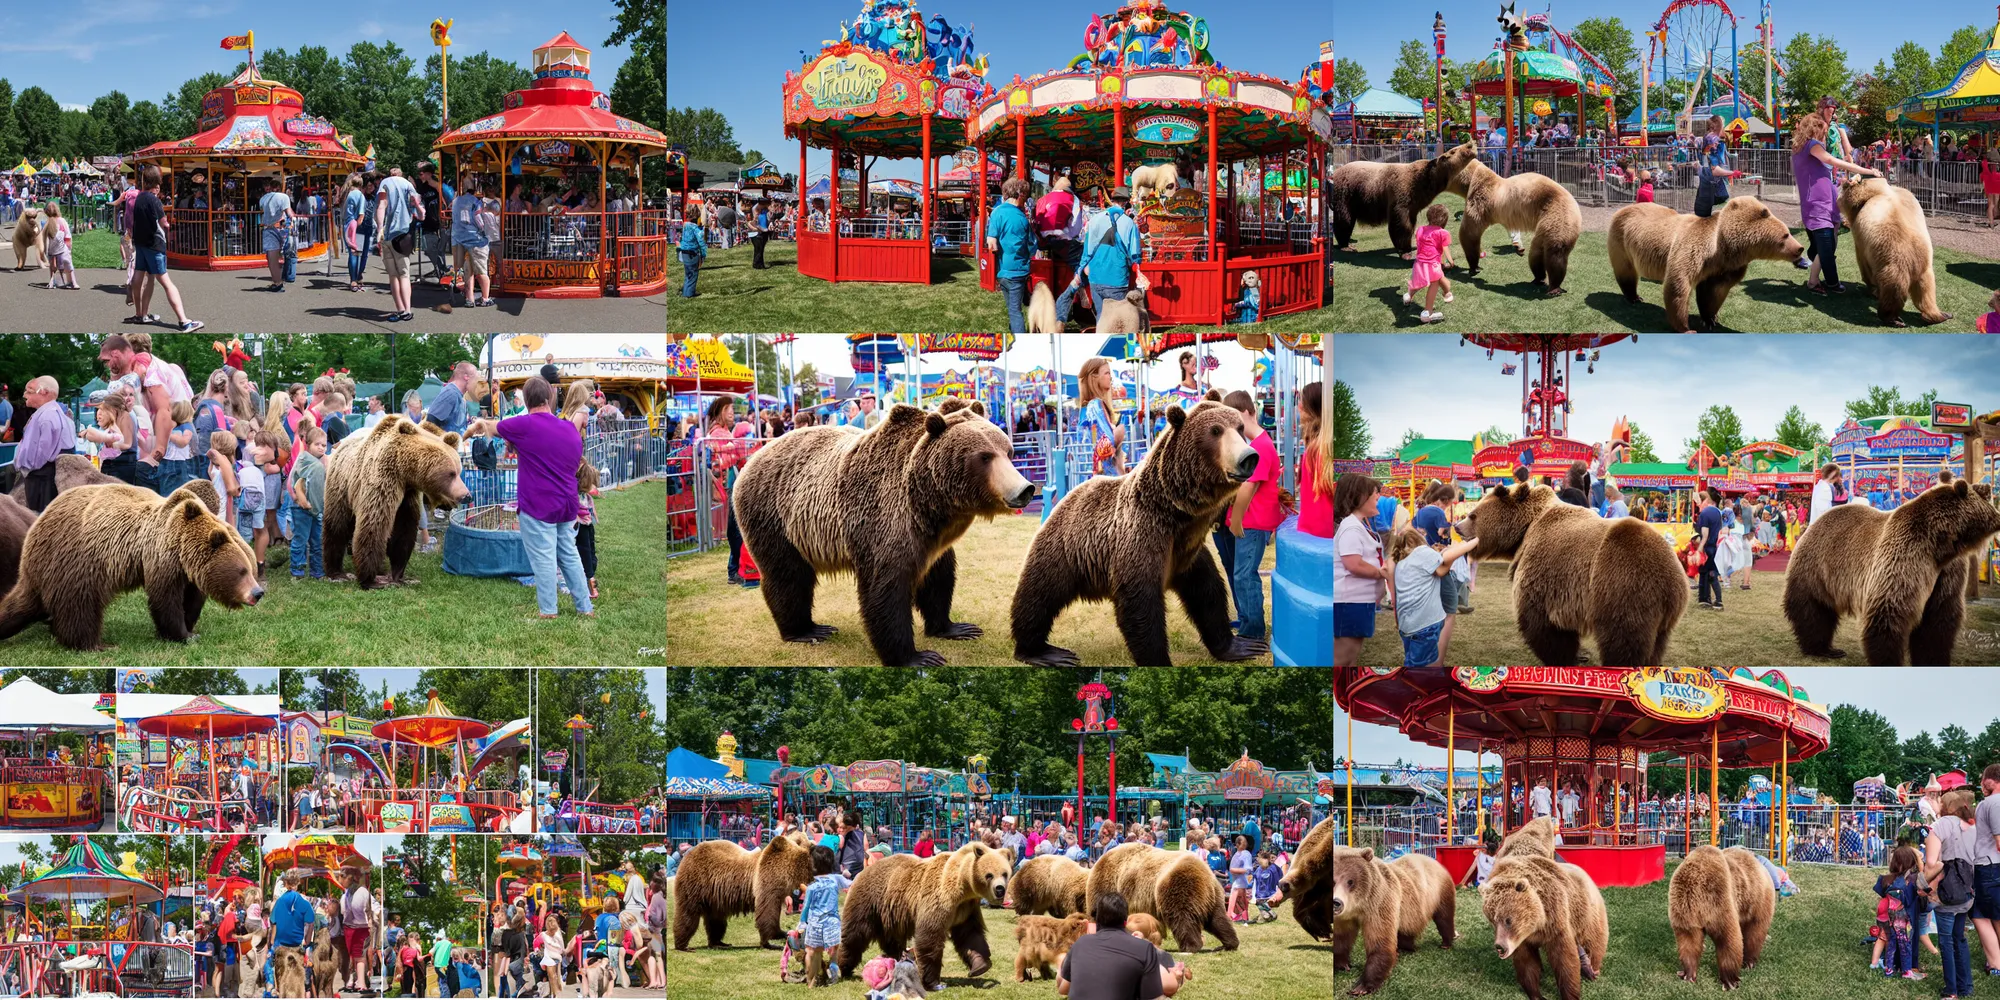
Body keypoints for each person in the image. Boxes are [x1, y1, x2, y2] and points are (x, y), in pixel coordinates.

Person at [472, 376, 593, 618]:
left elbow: (492, 427)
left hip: (539, 504)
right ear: (549, 398)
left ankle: (549, 611)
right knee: (569, 555)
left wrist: (480, 422)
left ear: (526, 400)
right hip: (567, 503)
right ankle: (585, 607)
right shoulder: (569, 428)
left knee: (544, 559)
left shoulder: (524, 425)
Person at [1791, 111, 1881, 295]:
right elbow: (1830, 160)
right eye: (1823, 131)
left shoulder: (1800, 150)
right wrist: (1867, 171)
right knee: (1826, 246)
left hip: (1822, 203)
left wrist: (1841, 182)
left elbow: (1817, 174)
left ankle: (1814, 281)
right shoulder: (1812, 145)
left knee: (1827, 243)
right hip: (1819, 205)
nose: (1825, 135)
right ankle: (1830, 283)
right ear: (1815, 130)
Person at [1224, 390, 1280, 644]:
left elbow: (1249, 486)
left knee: (1245, 575)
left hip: (1253, 523)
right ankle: (1249, 623)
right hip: (1252, 522)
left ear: (1246, 413)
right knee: (1242, 574)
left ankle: (1253, 631)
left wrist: (1236, 520)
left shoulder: (1260, 446)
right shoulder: (1258, 444)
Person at [1057, 892, 1182, 1000]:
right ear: (1125, 922)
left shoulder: (1080, 944)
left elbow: (1063, 989)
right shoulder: (1144, 948)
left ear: (1097, 920)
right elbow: (1153, 996)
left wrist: (1060, 966)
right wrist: (1175, 978)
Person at [125, 165, 202, 332]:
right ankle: (184, 321)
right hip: (154, 245)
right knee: (166, 282)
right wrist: (169, 222)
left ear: (144, 181)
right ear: (158, 185)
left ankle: (141, 314)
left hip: (141, 244)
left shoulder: (139, 198)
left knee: (142, 278)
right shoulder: (155, 201)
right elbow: (163, 223)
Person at [1057, 186, 1147, 326]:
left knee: (1101, 316)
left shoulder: (1095, 220)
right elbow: (1135, 254)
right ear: (1125, 203)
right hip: (1117, 279)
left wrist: (1080, 271)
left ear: (1112, 200)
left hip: (1095, 279)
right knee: (1117, 321)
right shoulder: (1130, 224)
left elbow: (1087, 252)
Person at [1388, 526, 1477, 667]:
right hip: (1425, 625)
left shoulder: (1402, 563)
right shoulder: (1422, 552)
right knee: (1422, 669)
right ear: (1419, 539)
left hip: (1406, 626)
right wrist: (1472, 542)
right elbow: (1443, 566)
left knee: (1414, 660)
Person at [1923, 787, 1979, 1000]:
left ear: (1944, 806)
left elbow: (1931, 862)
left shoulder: (1940, 825)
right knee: (1959, 938)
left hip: (1946, 892)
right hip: (1967, 892)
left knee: (1946, 941)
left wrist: (1925, 885)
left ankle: (1951, 990)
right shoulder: (1971, 826)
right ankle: (1966, 986)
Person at [1333, 473, 1389, 667]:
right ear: (1359, 497)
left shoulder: (1358, 525)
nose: (1378, 497)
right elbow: (1353, 564)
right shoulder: (1351, 528)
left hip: (1358, 602)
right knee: (1343, 657)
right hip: (1350, 603)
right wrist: (1381, 573)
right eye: (1375, 493)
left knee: (1351, 656)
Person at [984, 176, 1036, 333]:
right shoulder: (1022, 218)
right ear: (1019, 195)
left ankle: (1018, 338)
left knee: (1013, 310)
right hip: (1019, 270)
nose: (1024, 201)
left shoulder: (997, 213)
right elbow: (1033, 246)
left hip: (1003, 270)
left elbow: (991, 243)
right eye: (1024, 197)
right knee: (1015, 311)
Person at [374, 165, 423, 322]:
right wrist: (417, 206)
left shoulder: (385, 183)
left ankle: (400, 309)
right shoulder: (408, 185)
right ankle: (407, 310)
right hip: (403, 236)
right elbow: (421, 215)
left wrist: (379, 229)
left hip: (387, 235)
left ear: (390, 173)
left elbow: (381, 206)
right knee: (404, 275)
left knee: (393, 276)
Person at [797, 844, 850, 985]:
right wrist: (847, 874)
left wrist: (802, 924)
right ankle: (833, 977)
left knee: (812, 952)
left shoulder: (811, 887)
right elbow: (851, 884)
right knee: (833, 954)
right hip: (832, 923)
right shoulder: (835, 880)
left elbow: (806, 908)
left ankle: (811, 980)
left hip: (815, 924)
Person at [1403, 203, 1456, 322]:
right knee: (1434, 284)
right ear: (1444, 219)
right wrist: (1450, 261)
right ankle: (1428, 312)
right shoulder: (1443, 233)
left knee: (1420, 283)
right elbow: (1445, 249)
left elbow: (1421, 244)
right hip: (1432, 265)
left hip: (1419, 263)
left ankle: (1408, 296)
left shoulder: (1420, 229)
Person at [289, 425, 327, 580]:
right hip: (302, 508)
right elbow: (299, 484)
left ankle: (317, 571)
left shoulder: (314, 461)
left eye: (324, 445)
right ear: (308, 444)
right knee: (301, 539)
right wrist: (312, 505)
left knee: (316, 541)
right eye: (317, 444)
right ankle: (297, 571)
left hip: (314, 508)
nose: (321, 448)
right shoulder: (309, 462)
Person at [1077, 357, 1124, 477]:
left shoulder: (1091, 405)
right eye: (1107, 373)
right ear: (1094, 377)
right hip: (1105, 475)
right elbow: (1104, 442)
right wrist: (1120, 433)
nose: (1110, 377)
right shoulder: (1095, 405)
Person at [1973, 763, 2000, 977]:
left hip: (1987, 865)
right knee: (1993, 916)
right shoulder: (1995, 802)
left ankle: (1995, 964)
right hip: (1993, 865)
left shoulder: (1986, 803)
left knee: (1984, 915)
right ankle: (1996, 964)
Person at [450, 174, 492, 307]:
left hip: (460, 240)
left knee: (468, 271)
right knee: (481, 271)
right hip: (475, 240)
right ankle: (485, 298)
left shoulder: (456, 201)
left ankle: (470, 299)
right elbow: (479, 222)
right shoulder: (476, 202)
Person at [1035, 173, 1084, 281]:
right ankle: (1077, 289)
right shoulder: (1072, 198)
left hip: (1042, 243)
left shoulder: (1041, 199)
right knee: (1081, 262)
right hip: (1062, 241)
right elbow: (1076, 225)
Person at [1694, 115, 1744, 218]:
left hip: (1711, 184)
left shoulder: (1709, 140)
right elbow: (1715, 170)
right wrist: (1733, 173)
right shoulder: (1711, 141)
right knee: (1705, 216)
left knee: (1721, 199)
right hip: (1709, 186)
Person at [258, 176, 297, 292]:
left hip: (269, 228)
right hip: (283, 228)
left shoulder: (263, 198)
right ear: (280, 187)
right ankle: (289, 276)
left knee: (272, 258)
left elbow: (263, 210)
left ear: (270, 187)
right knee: (289, 254)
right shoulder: (284, 197)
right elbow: (289, 212)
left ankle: (277, 282)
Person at [1695, 488, 1725, 610]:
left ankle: (1706, 598)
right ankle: (1716, 599)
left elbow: (1705, 534)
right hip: (1715, 547)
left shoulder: (1705, 513)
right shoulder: (1717, 512)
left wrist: (1700, 548)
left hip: (1707, 547)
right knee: (1712, 573)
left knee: (1705, 573)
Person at [41, 202, 76, 289]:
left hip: (52, 251)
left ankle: (52, 281)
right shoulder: (62, 221)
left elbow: (44, 238)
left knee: (52, 265)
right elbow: (67, 236)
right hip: (63, 249)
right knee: (69, 265)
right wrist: (69, 249)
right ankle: (73, 282)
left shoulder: (46, 223)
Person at [678, 203, 707, 297]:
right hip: (692, 252)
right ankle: (689, 294)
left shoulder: (685, 225)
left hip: (684, 251)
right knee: (693, 274)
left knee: (688, 274)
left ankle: (686, 292)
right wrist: (703, 254)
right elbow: (701, 241)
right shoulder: (695, 228)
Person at [1227, 835, 1254, 923]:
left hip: (1242, 881)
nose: (1245, 844)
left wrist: (1233, 870)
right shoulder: (1237, 853)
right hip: (1237, 881)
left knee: (1240, 898)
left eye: (1246, 842)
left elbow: (1247, 869)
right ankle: (1237, 915)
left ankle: (1241, 916)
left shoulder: (1246, 854)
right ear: (1238, 844)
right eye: (1243, 842)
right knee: (1237, 897)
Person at [750, 198, 772, 270]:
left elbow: (769, 218)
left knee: (760, 249)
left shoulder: (764, 210)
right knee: (758, 249)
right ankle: (756, 264)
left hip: (763, 231)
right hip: (757, 232)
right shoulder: (756, 209)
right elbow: (754, 222)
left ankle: (760, 264)